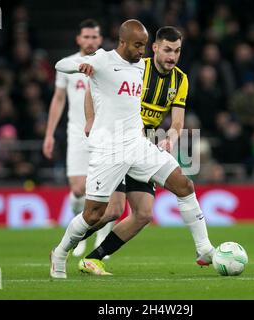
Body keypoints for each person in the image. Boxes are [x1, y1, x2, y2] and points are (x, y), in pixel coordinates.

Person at [50, 19, 214, 277]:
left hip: (141, 144)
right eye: (141, 46)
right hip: (110, 148)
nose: (142, 51)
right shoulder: (108, 61)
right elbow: (72, 73)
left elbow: (178, 121)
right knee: (97, 213)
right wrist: (80, 70)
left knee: (179, 189)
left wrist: (169, 137)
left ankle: (204, 249)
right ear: (154, 49)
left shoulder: (161, 74)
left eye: (177, 51)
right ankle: (61, 251)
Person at [42, 19, 124, 260]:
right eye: (86, 37)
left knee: (106, 191)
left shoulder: (108, 63)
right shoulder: (70, 65)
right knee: (79, 189)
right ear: (79, 39)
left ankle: (99, 237)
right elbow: (58, 100)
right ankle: (78, 232)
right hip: (77, 135)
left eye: (94, 37)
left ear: (100, 39)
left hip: (105, 133)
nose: (90, 41)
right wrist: (49, 134)